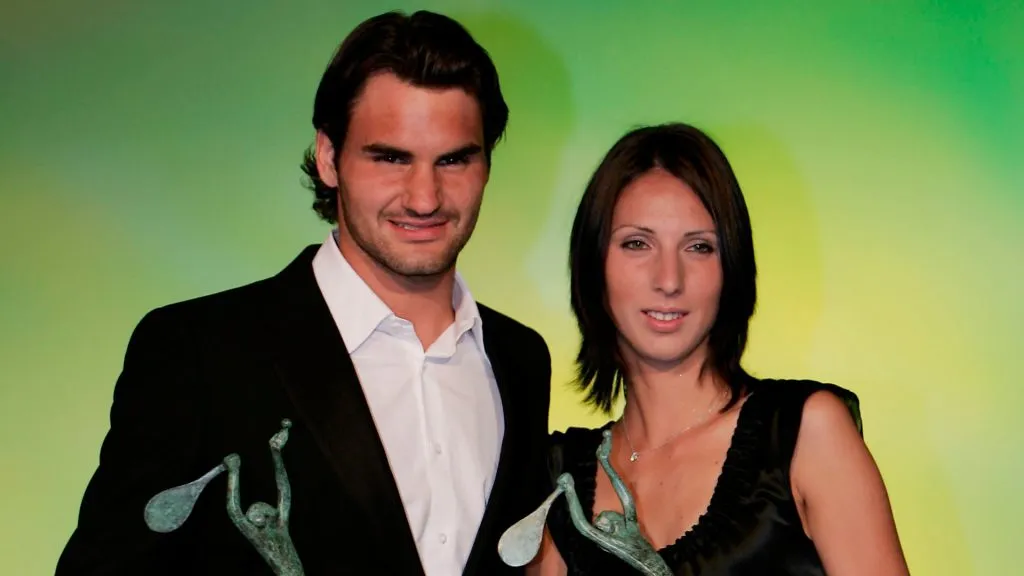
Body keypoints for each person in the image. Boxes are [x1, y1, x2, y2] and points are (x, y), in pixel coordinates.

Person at [56, 10, 552, 576]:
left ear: (486, 164)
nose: (424, 197)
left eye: (454, 159)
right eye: (391, 158)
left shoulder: (520, 359)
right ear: (328, 157)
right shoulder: (199, 351)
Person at [529, 123, 909, 575]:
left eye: (699, 247)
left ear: (732, 268)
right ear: (594, 266)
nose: (669, 279)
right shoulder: (561, 481)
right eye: (637, 243)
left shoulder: (804, 433)